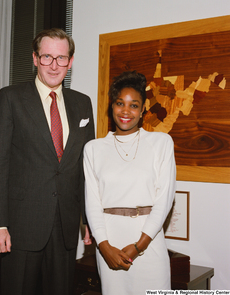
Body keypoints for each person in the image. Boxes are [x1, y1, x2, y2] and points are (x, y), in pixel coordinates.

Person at [0, 28, 95, 295]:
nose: (54, 65)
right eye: (47, 57)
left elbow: (86, 168)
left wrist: (88, 219)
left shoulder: (83, 104)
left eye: (61, 58)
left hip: (66, 227)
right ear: (35, 59)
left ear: (70, 61)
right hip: (21, 227)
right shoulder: (10, 98)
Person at [83, 71, 176, 295]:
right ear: (112, 106)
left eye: (134, 105)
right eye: (119, 103)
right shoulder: (93, 149)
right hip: (109, 246)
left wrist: (139, 246)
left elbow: (164, 201)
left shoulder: (161, 143)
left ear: (143, 108)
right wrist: (104, 247)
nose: (126, 111)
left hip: (149, 245)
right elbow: (92, 203)